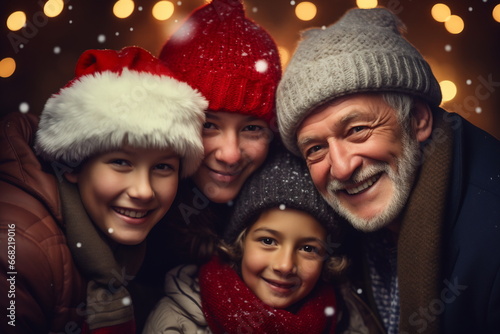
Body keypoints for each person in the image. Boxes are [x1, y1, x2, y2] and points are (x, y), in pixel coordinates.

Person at [276, 7, 500, 334]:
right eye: (316, 149)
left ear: (419, 119)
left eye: (357, 130)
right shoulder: (336, 238)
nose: (341, 167)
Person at [0, 46, 207, 334]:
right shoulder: (19, 251)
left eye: (162, 168)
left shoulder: (137, 247)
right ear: (72, 164)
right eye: (121, 162)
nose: (144, 191)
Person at [131, 0, 282, 329]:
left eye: (253, 128)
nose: (229, 154)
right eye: (208, 125)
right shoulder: (125, 205)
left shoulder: (291, 212)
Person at [142, 149, 348, 334]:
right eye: (268, 241)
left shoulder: (345, 320)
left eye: (308, 248)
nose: (285, 266)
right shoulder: (176, 323)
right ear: (240, 243)